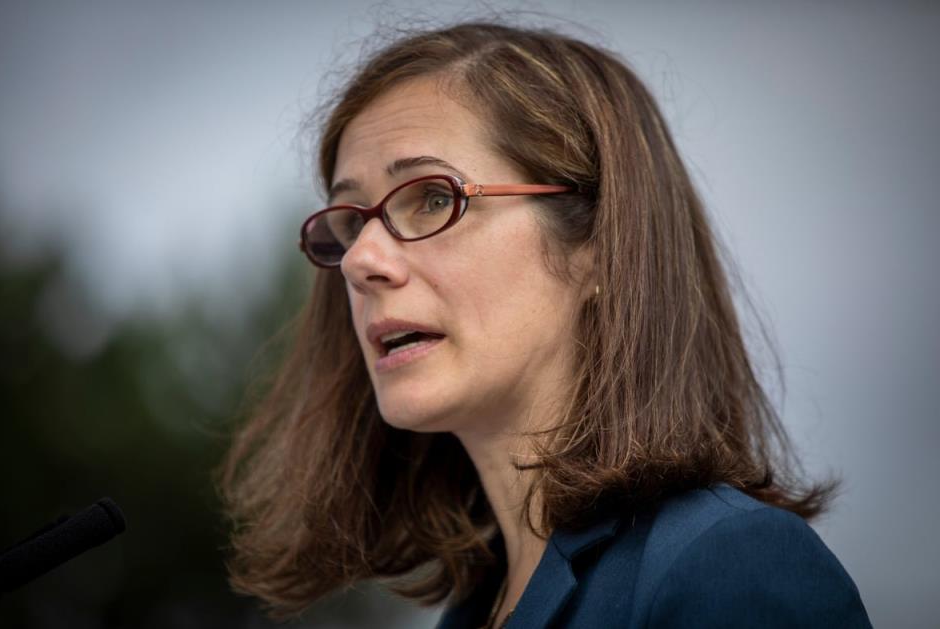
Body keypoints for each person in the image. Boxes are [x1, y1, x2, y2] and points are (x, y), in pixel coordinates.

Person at [220, 22, 871, 628]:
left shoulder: (729, 566)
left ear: (599, 244)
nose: (361, 260)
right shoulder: (476, 607)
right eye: (352, 220)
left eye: (434, 198)